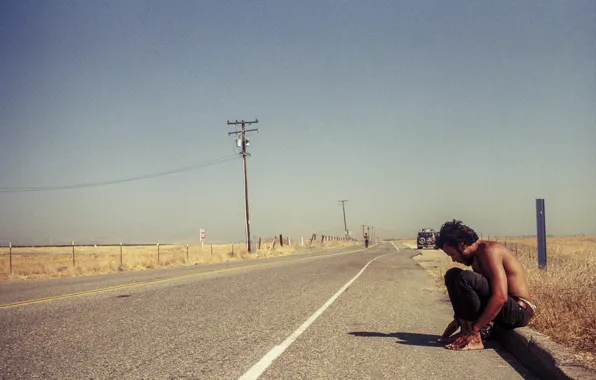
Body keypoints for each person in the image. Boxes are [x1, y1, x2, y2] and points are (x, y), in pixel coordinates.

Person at [434, 219, 536, 351]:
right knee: (452, 274)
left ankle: (475, 338)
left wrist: (475, 331)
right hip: (503, 309)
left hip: (518, 311)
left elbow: (500, 297)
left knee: (465, 278)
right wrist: (459, 318)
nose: (454, 259)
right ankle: (465, 328)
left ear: (462, 245)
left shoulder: (489, 251)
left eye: (453, 254)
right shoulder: (475, 256)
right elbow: (475, 295)